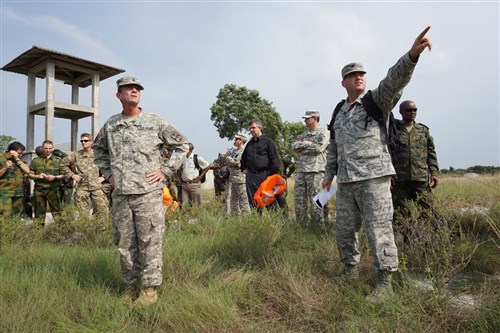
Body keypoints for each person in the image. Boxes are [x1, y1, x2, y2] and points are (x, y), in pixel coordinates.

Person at [322, 26, 433, 300]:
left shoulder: (376, 101)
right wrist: (328, 175)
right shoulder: (338, 111)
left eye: (361, 73)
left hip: (374, 178)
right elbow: (335, 145)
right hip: (346, 182)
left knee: (379, 230)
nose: (358, 77)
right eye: (352, 75)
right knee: (345, 230)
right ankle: (350, 270)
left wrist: (412, 56)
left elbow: (394, 81)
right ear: (344, 82)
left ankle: (385, 282)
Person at [92, 76, 189, 306]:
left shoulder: (155, 122)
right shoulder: (112, 124)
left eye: (137, 88)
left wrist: (165, 171)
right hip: (122, 195)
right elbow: (98, 150)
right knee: (124, 243)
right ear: (119, 95)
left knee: (150, 240)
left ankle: (150, 289)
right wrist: (108, 175)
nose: (134, 91)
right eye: (128, 88)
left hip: (148, 194)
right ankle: (131, 285)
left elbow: (181, 145)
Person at [392, 101, 439, 234]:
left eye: (414, 110)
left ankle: (428, 239)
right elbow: (388, 153)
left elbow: (431, 153)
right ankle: (407, 239)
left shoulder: (423, 131)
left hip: (420, 177)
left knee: (427, 210)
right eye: (408, 110)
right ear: (401, 112)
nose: (412, 113)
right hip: (399, 179)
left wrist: (434, 173)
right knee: (400, 212)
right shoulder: (394, 130)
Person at [292, 110, 330, 225]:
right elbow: (294, 147)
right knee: (299, 200)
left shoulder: (324, 132)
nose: (305, 120)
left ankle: (319, 227)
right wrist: (308, 143)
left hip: (317, 170)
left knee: (318, 202)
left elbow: (318, 148)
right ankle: (302, 226)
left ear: (315, 118)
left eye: (307, 118)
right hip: (302, 170)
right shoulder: (304, 135)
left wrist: (304, 145)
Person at [61, 133, 109, 222]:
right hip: (82, 187)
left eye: (86, 140)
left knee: (102, 211)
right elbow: (62, 164)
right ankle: (86, 233)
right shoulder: (76, 155)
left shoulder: (98, 154)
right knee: (82, 214)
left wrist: (104, 177)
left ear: (91, 142)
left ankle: (101, 234)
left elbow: (109, 164)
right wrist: (73, 175)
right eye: (81, 141)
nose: (83, 142)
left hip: (96, 187)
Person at [240, 119, 281, 210]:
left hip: (265, 175)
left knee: (269, 199)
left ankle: (276, 221)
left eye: (253, 128)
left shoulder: (268, 142)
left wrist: (271, 177)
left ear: (260, 128)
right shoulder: (249, 144)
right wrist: (243, 169)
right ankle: (257, 221)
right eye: (250, 128)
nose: (251, 130)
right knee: (253, 201)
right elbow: (243, 158)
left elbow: (275, 160)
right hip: (251, 176)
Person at [28, 140, 65, 221]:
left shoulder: (58, 160)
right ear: (42, 148)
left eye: (50, 148)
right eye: (46, 148)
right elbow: (30, 174)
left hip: (54, 190)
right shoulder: (35, 161)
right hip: (39, 190)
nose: (48, 150)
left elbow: (64, 174)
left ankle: (60, 231)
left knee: (57, 212)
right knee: (39, 213)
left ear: (52, 148)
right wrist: (38, 176)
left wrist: (55, 177)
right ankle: (39, 232)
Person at [0, 141, 30, 218]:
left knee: (17, 217)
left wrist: (17, 158)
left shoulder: (19, 161)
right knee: (4, 217)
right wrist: (5, 168)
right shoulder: (1, 160)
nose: (21, 155)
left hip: (18, 194)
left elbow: (28, 171)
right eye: (19, 153)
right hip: (5, 194)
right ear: (12, 151)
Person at [223, 134, 250, 215]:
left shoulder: (243, 151)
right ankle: (236, 220)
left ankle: (247, 220)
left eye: (236, 139)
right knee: (233, 202)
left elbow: (236, 161)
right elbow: (233, 162)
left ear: (241, 141)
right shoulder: (234, 151)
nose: (234, 141)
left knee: (243, 202)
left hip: (240, 180)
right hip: (233, 179)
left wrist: (228, 158)